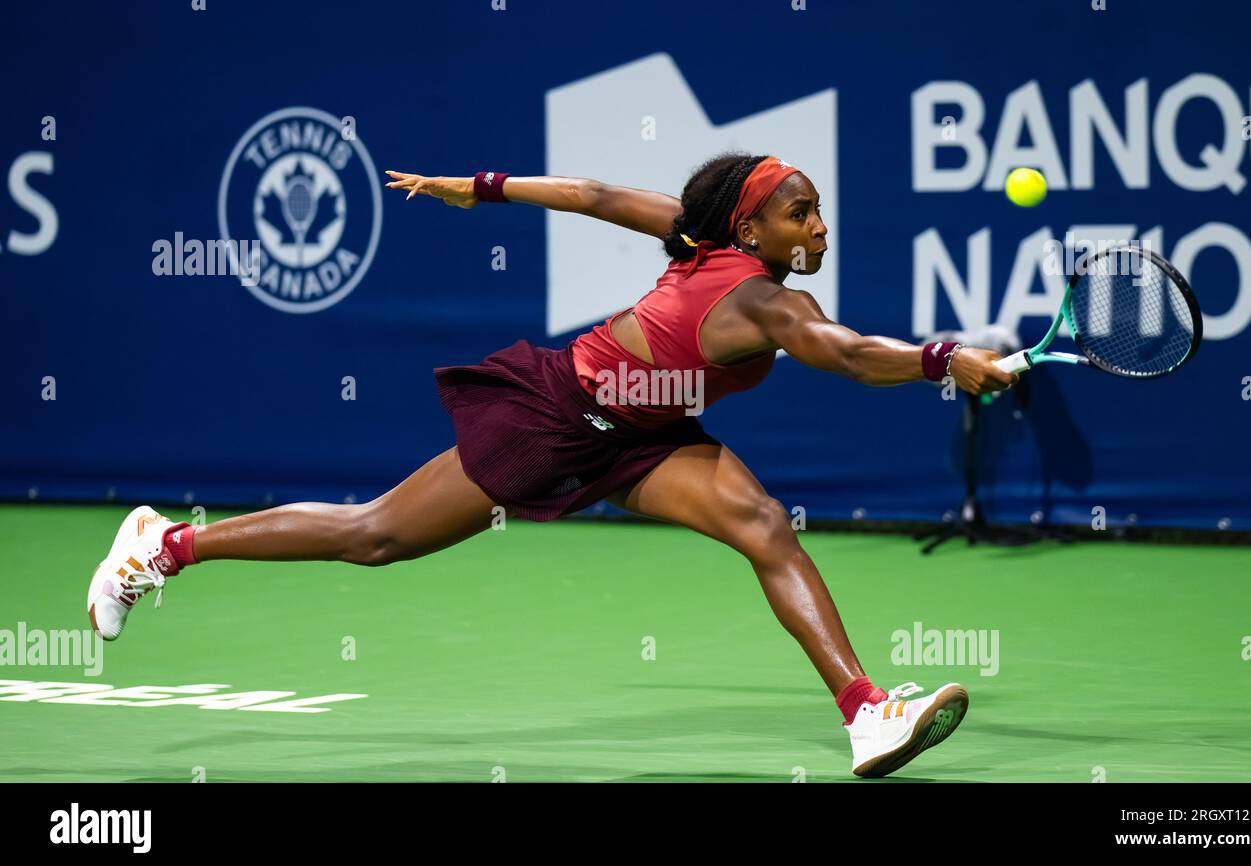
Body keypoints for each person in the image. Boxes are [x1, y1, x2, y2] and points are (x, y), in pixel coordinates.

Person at [86, 152, 1018, 778]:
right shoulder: (768, 305)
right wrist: (945, 360)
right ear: (750, 230)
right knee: (374, 536)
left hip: (650, 433)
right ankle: (163, 547)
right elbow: (851, 354)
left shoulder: (707, 241)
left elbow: (597, 197)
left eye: (817, 212)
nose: (818, 227)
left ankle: (864, 711)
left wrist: (483, 188)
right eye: (798, 214)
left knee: (764, 526)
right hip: (561, 413)